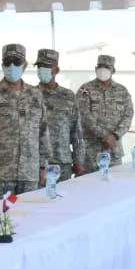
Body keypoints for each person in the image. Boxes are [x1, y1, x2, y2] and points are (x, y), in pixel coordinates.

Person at [0, 44, 49, 196]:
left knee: (31, 216)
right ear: (2, 65)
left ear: (25, 65)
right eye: (7, 62)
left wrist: (42, 167)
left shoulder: (36, 95)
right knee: (1, 219)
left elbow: (43, 132)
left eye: (17, 62)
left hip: (29, 174)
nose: (12, 66)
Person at [76, 54, 134, 172]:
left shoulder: (122, 91)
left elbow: (128, 115)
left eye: (107, 68)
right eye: (100, 67)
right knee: (89, 187)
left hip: (114, 151)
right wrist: (104, 135)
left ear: (113, 70)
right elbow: (83, 115)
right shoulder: (85, 89)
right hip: (90, 152)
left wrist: (115, 135)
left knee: (115, 186)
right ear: (96, 69)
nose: (103, 70)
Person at [35, 49, 85, 178]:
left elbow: (77, 132)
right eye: (40, 66)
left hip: (62, 163)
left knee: (64, 197)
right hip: (35, 163)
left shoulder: (68, 96)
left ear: (56, 70)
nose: (42, 69)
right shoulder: (30, 95)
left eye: (46, 66)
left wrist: (78, 160)